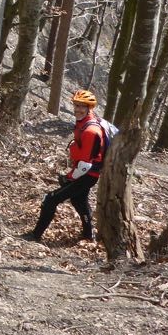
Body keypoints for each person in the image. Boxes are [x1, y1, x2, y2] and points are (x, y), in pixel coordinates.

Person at [22, 89, 106, 243]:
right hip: (86, 173)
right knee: (79, 201)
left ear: (90, 108)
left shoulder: (90, 131)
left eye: (82, 106)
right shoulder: (83, 123)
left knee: (50, 199)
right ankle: (89, 235)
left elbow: (85, 164)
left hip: (86, 174)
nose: (78, 110)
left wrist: (70, 177)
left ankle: (35, 235)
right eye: (76, 105)